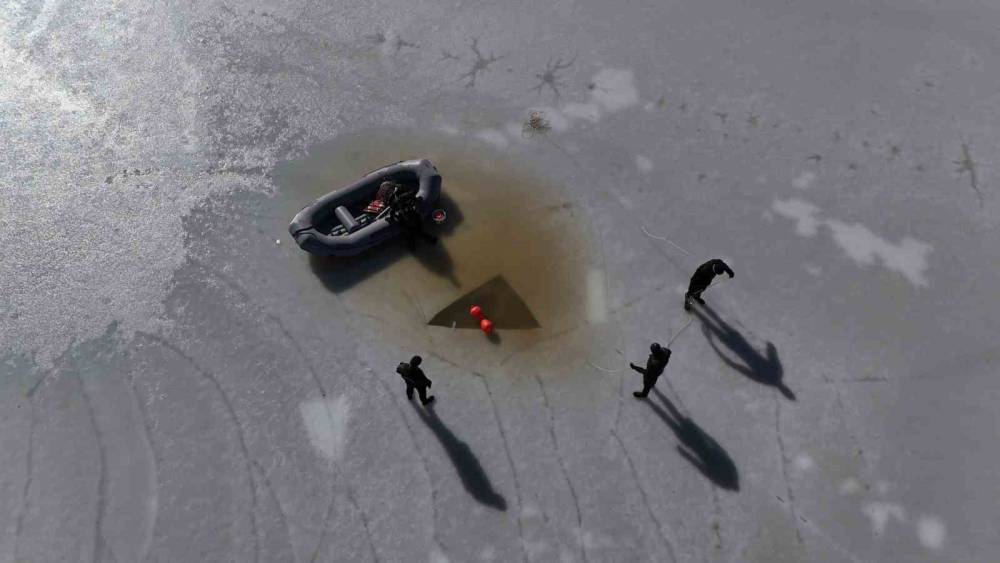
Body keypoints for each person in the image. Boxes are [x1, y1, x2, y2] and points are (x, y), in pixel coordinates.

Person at [386, 185, 437, 250]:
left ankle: (412, 247)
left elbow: (392, 213)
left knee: (409, 235)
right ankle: (431, 240)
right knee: (420, 231)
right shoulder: (408, 194)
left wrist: (390, 219)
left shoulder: (394, 202)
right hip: (414, 215)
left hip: (406, 220)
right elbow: (415, 197)